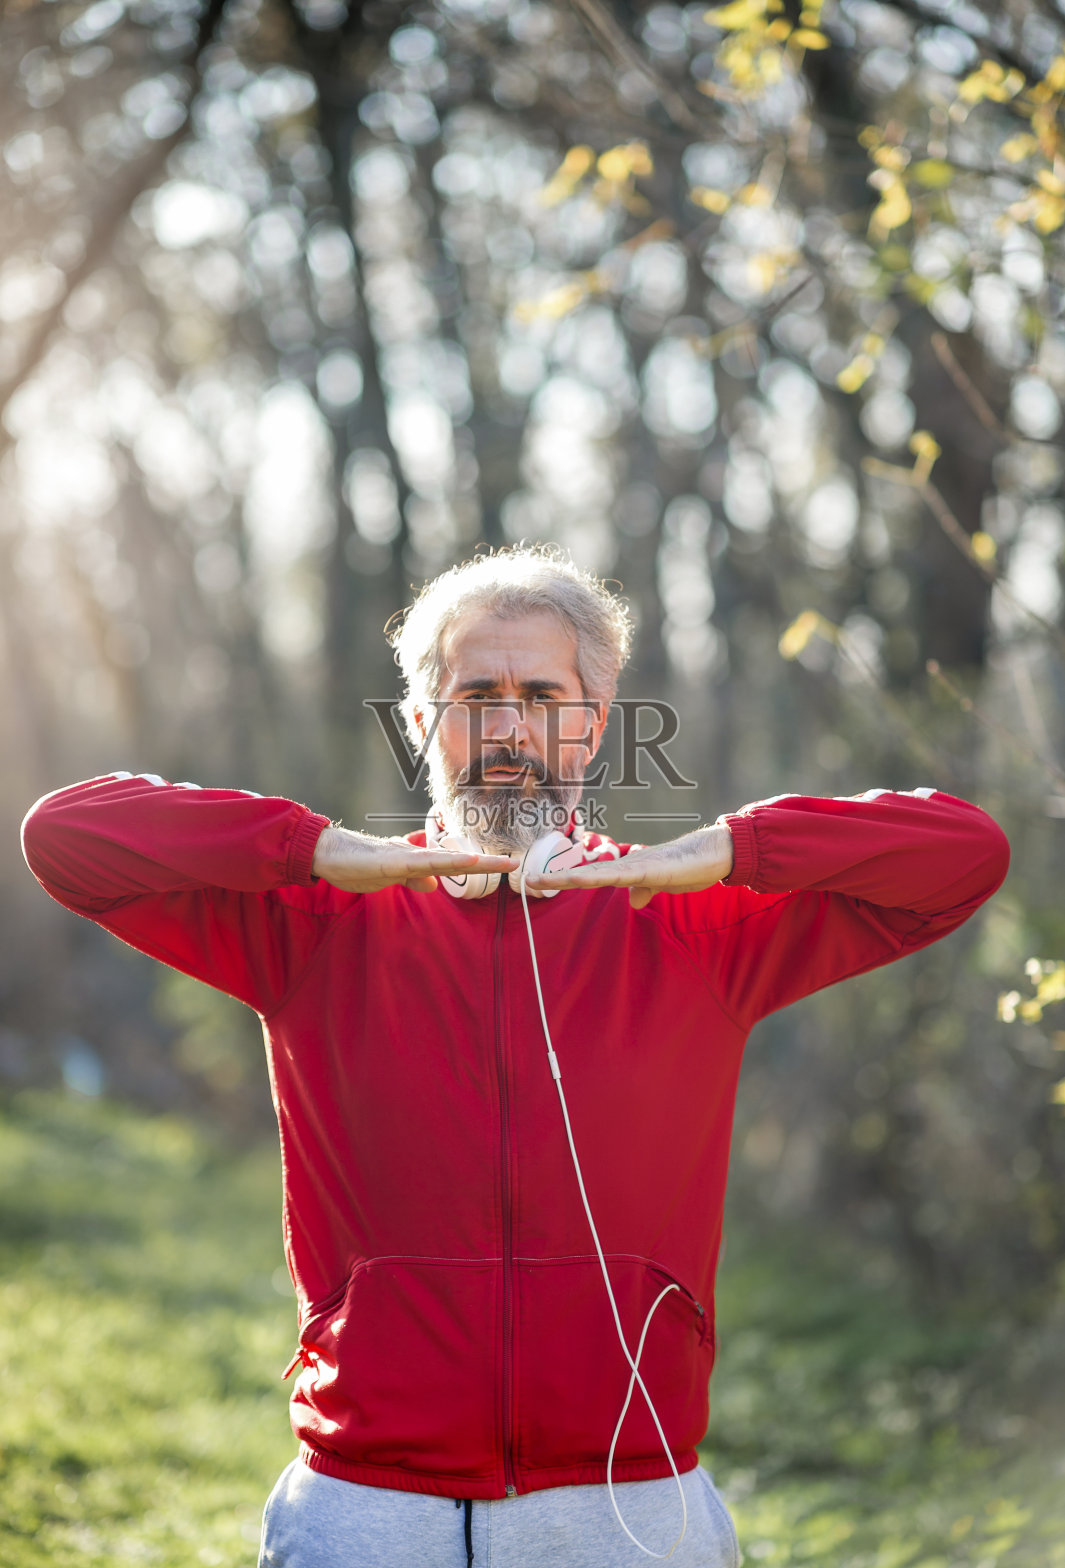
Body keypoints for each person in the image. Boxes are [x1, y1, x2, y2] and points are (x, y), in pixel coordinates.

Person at [21, 545, 1010, 1568]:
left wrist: (728, 851)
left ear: (594, 723)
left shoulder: (691, 922)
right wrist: (315, 849)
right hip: (367, 1505)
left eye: (542, 695)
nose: (507, 728)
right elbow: (67, 837)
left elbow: (964, 854)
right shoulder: (319, 920)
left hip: (629, 1505)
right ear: (420, 723)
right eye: (475, 695)